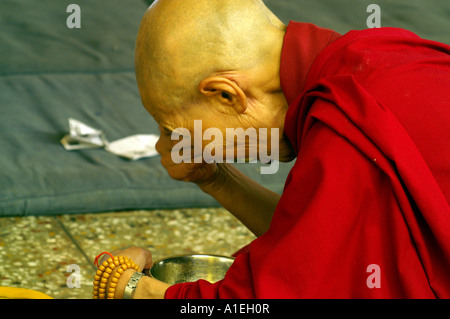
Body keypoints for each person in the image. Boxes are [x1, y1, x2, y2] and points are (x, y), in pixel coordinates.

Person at [99, 0, 450, 298]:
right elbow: (314, 248)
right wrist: (215, 178)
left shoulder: (348, 135)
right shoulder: (381, 54)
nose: (170, 145)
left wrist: (131, 287)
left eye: (173, 129)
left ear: (226, 95)